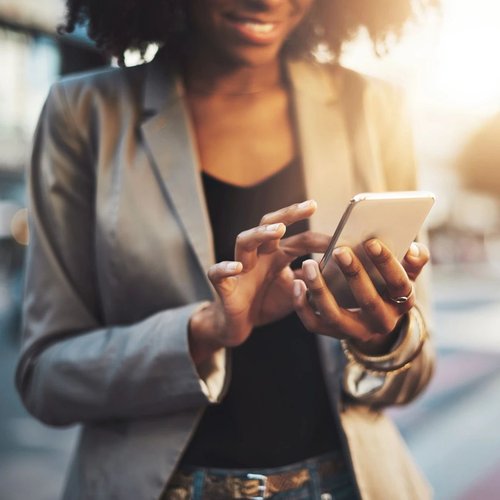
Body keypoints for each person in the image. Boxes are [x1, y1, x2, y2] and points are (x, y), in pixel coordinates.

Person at [16, 1, 436, 499]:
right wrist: (204, 331)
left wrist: (379, 342)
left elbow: (416, 369)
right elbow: (46, 380)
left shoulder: (372, 107)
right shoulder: (84, 113)